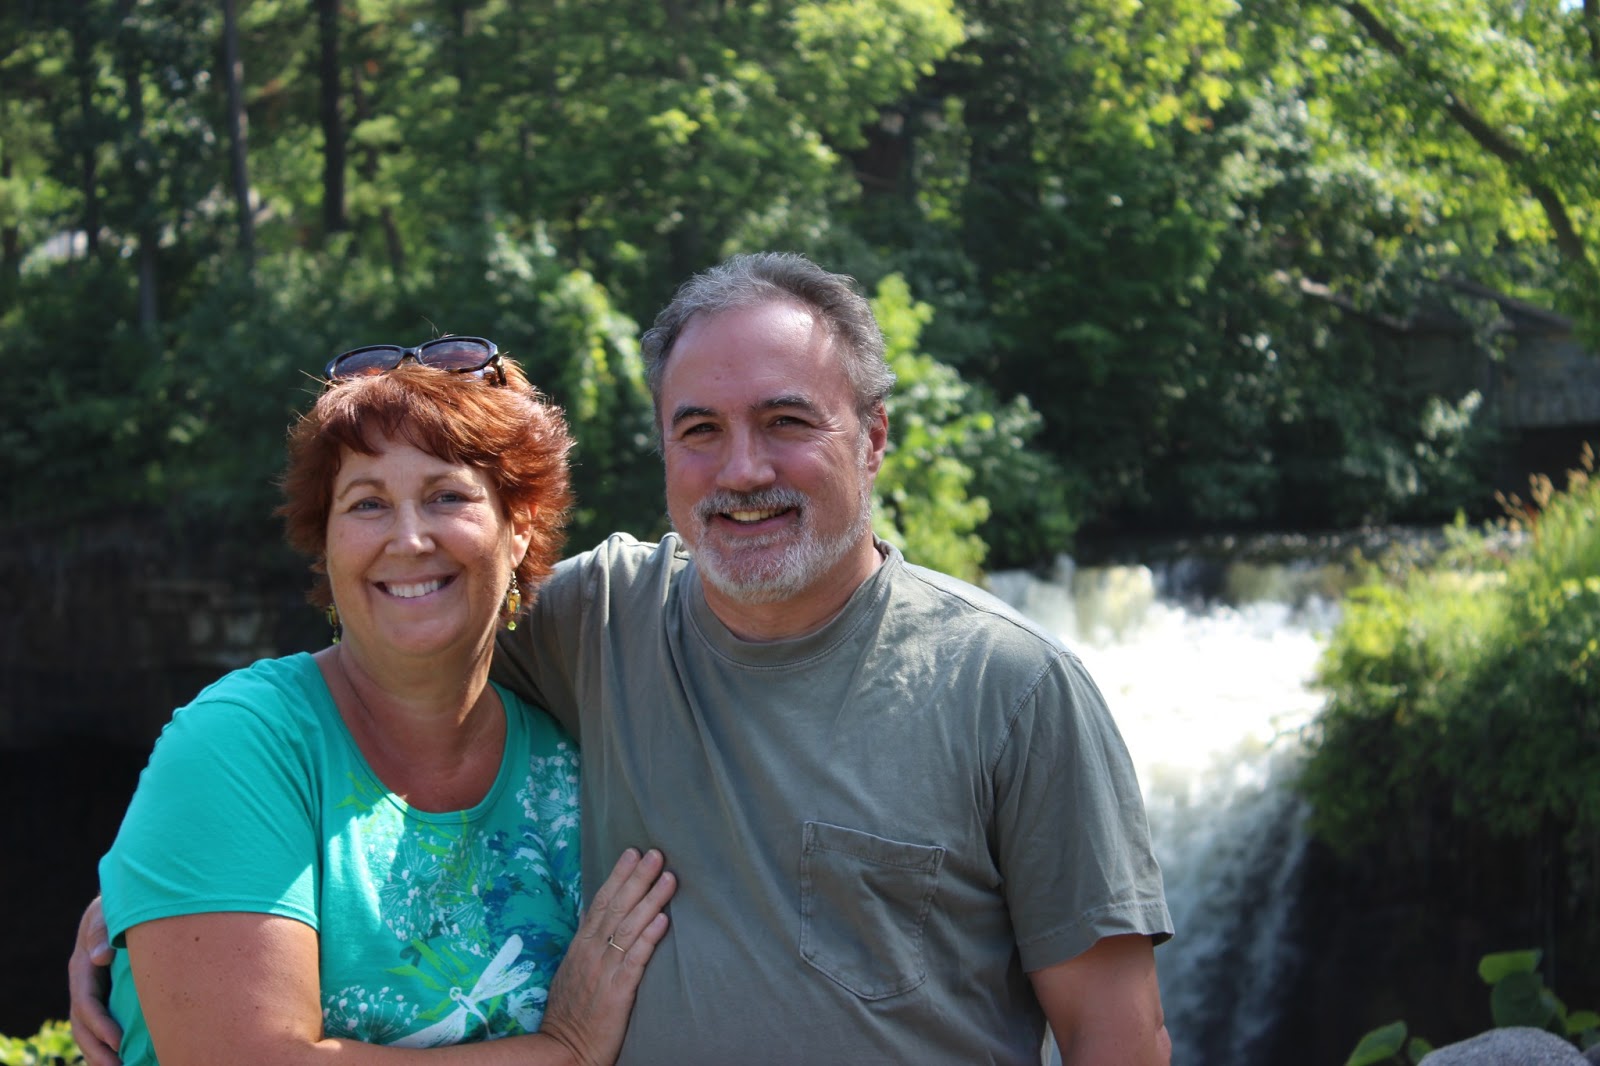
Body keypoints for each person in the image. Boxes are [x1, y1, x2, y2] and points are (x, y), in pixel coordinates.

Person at [73, 254, 1173, 1064]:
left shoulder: (1013, 691)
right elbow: (384, 671)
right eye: (700, 430)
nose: (742, 470)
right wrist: (155, 899)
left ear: (873, 437)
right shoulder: (601, 621)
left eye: (787, 422)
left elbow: (1117, 1036)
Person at [86, 341, 675, 1065]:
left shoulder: (573, 753)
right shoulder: (239, 745)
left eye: (447, 496)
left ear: (519, 527)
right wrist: (565, 1051)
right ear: (326, 546)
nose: (409, 538)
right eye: (367, 504)